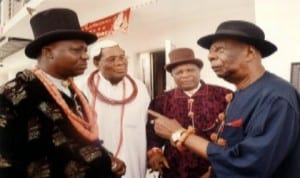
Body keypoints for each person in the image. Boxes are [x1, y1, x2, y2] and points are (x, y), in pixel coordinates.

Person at [148, 20, 300, 178]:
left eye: (219, 50)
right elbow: (228, 149)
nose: (210, 56)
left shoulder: (276, 98)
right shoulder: (238, 94)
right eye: (211, 51)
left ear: (249, 53)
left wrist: (179, 134)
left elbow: (249, 164)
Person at [0, 8, 126, 178]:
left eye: (85, 50)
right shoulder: (12, 95)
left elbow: (82, 140)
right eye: (77, 50)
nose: (86, 57)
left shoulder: (75, 92)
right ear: (48, 52)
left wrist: (106, 158)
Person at [146, 47, 232, 178]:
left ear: (199, 70)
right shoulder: (161, 101)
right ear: (172, 75)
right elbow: (152, 135)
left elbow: (233, 134)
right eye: (179, 72)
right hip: (174, 169)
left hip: (213, 167)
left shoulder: (223, 95)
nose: (185, 75)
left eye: (190, 70)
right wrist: (155, 153)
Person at [84, 40, 150, 178]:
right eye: (112, 59)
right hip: (98, 163)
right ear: (96, 63)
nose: (120, 63)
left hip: (133, 163)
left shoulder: (139, 87)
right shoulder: (82, 88)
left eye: (122, 57)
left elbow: (147, 125)